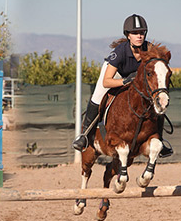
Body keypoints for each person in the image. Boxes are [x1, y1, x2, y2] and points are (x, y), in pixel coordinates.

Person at [73, 14, 173, 157]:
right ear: (127, 35)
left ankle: (160, 140)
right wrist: (124, 81)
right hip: (116, 75)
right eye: (135, 33)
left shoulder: (149, 49)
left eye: (142, 33)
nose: (139, 36)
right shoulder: (120, 52)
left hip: (136, 77)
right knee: (97, 96)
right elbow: (107, 81)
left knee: (157, 103)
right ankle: (85, 135)